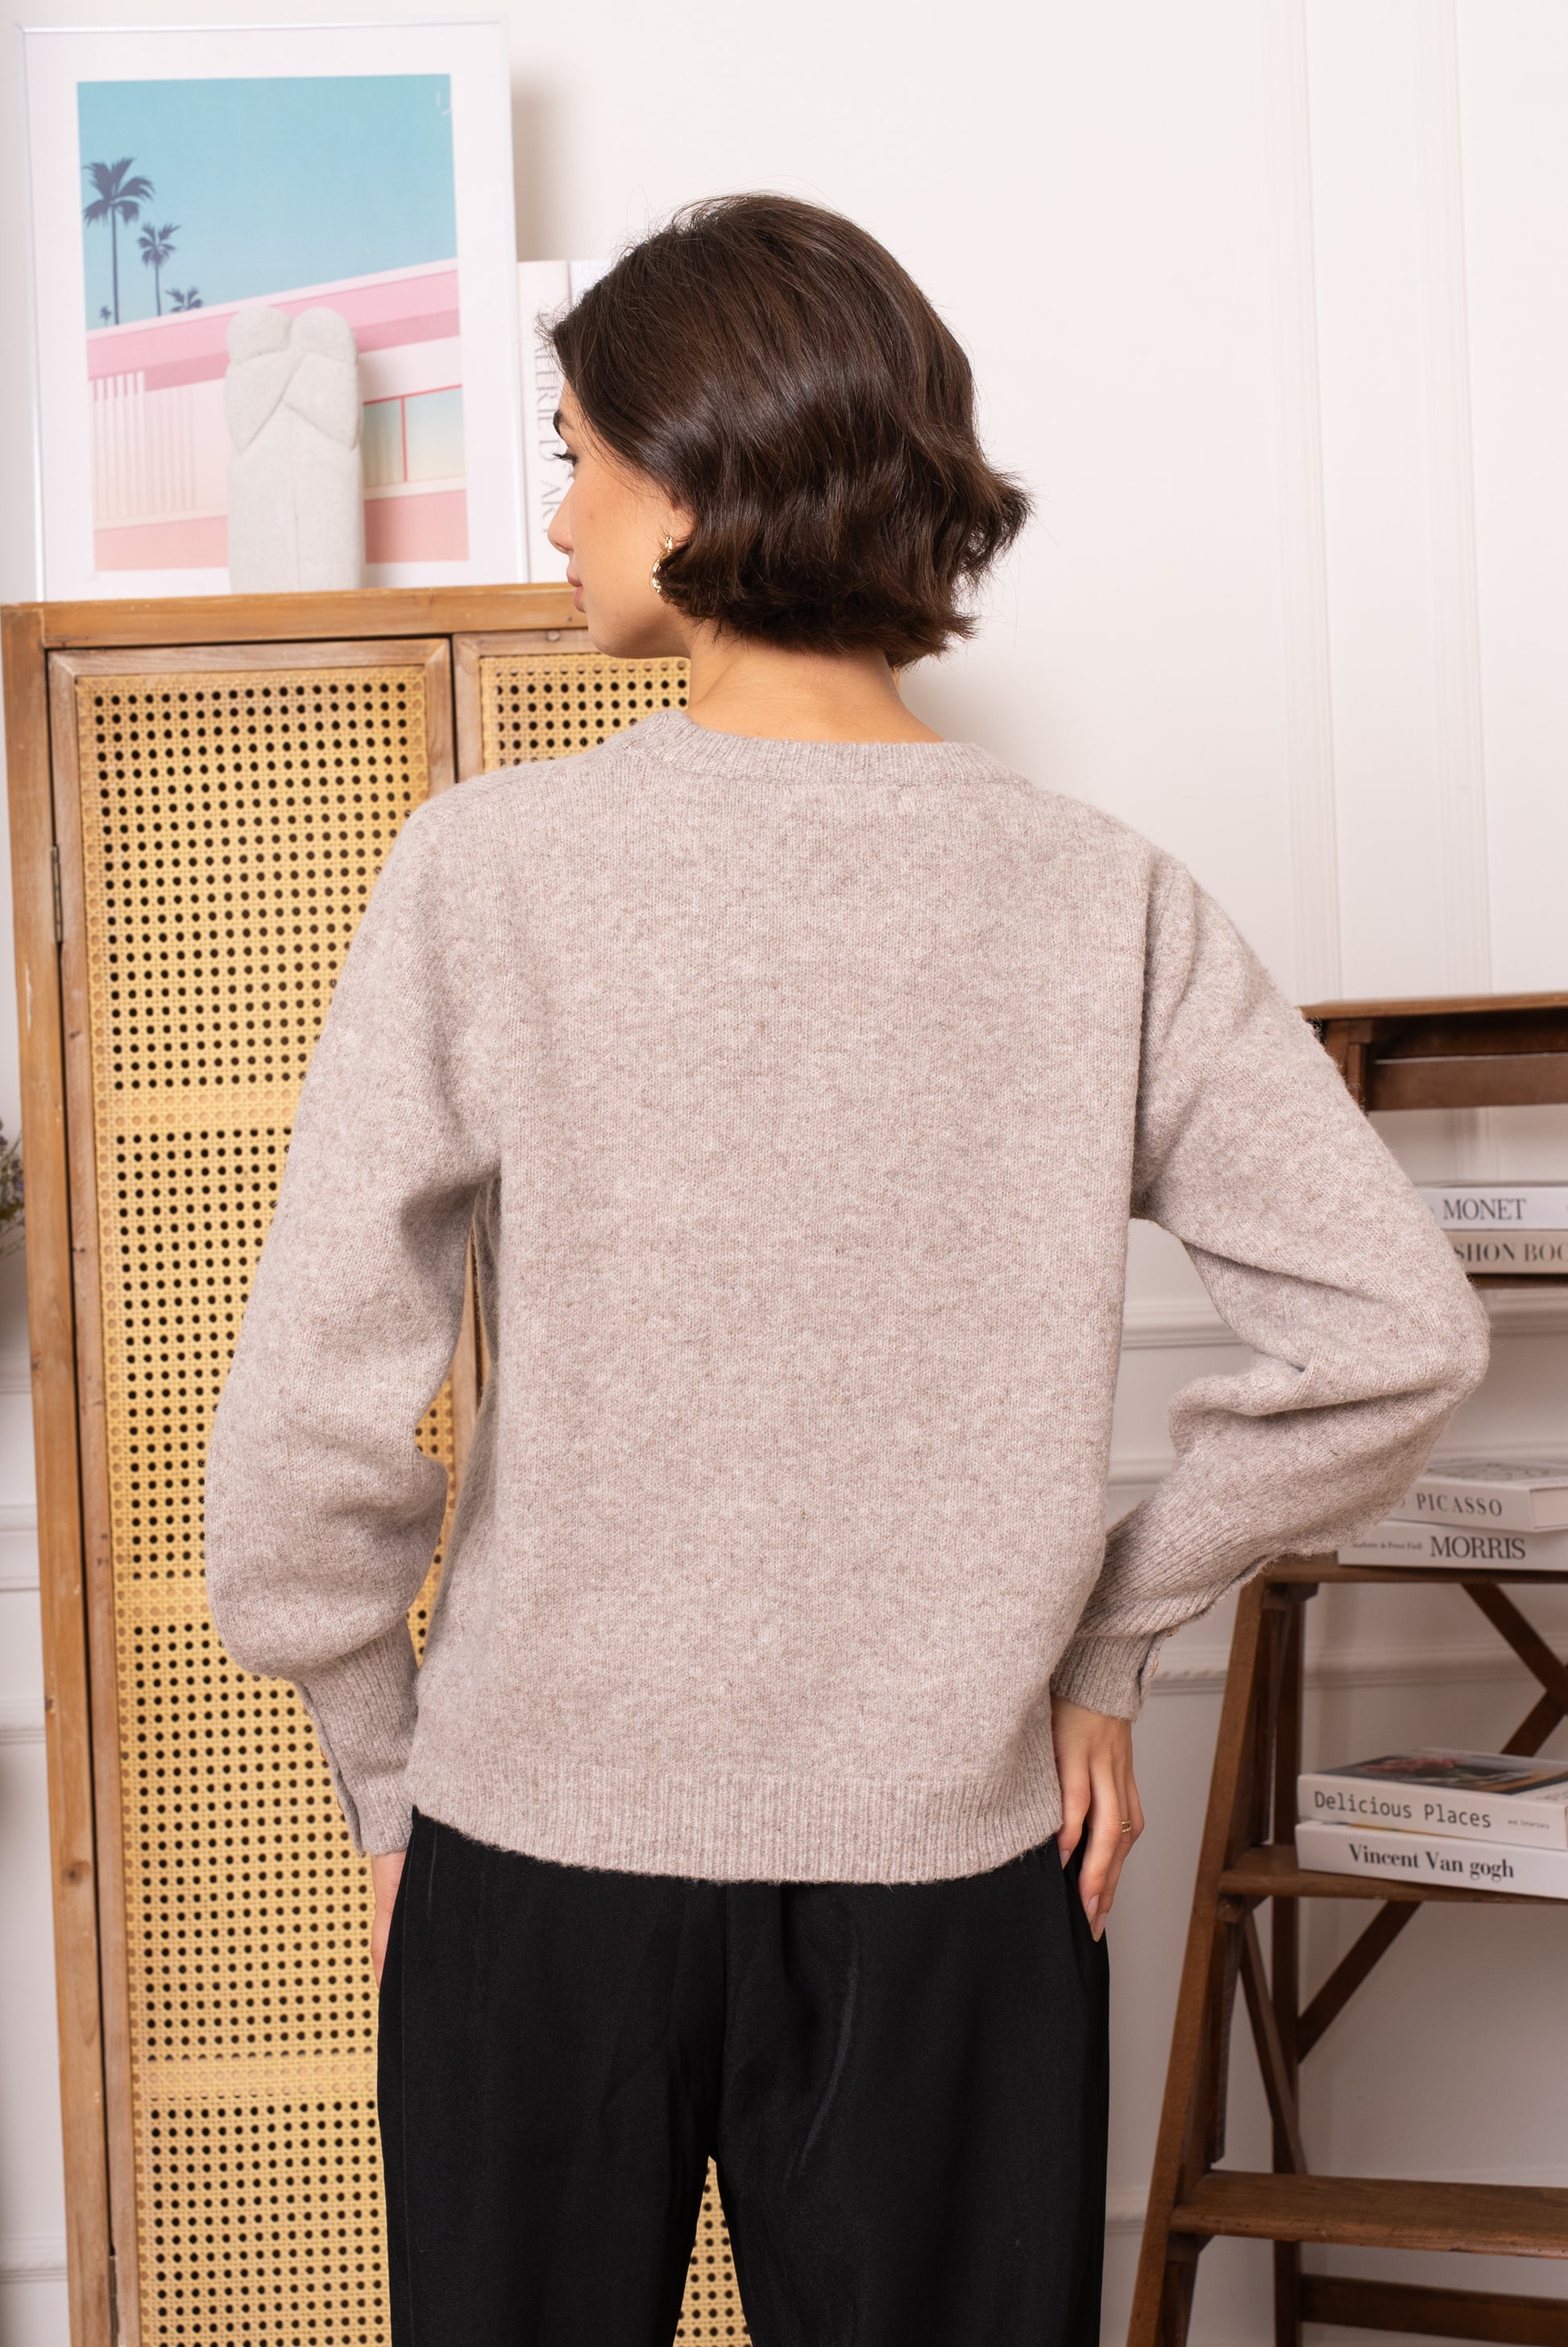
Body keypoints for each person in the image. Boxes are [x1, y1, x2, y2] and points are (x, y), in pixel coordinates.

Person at [204, 193, 1489, 2346]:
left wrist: (377, 1760)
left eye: (574, 457)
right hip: (955, 1883)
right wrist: (1103, 1641)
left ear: (696, 479)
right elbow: (1397, 1331)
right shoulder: (1103, 900)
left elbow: (307, 1416)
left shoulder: (488, 872)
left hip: (537, 1861)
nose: (557, 517)